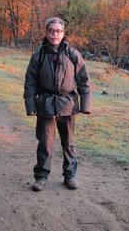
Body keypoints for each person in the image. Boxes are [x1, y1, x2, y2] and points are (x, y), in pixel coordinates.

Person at [23, 17, 91, 191]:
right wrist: (30, 105)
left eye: (58, 31)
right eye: (51, 30)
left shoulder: (73, 54)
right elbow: (30, 82)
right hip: (45, 104)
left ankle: (70, 176)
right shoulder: (39, 55)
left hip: (67, 104)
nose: (55, 34)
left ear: (63, 33)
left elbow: (84, 81)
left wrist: (85, 105)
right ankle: (41, 177)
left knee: (68, 143)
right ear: (46, 32)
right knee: (45, 143)